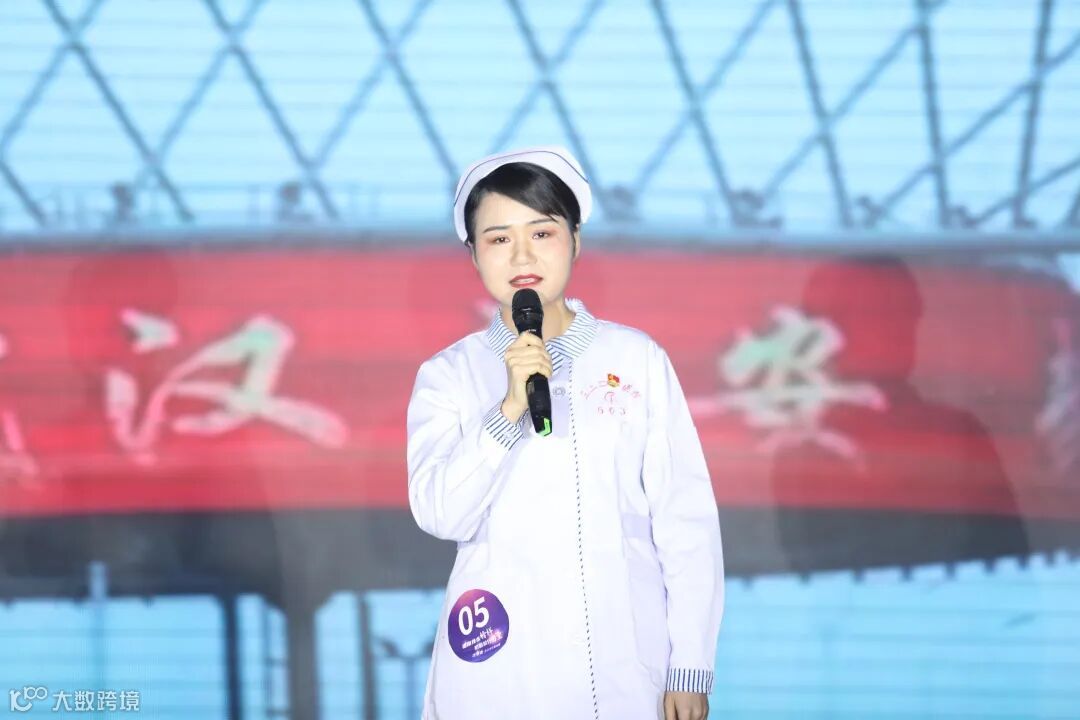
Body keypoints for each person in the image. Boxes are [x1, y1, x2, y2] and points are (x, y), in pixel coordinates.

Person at [406, 146, 724, 720]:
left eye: (542, 232)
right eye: (498, 238)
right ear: (473, 255)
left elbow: (685, 519)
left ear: (575, 241)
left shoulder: (634, 358)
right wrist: (507, 409)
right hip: (500, 660)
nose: (522, 255)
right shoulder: (448, 375)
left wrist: (690, 665)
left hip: (624, 660)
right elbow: (440, 514)